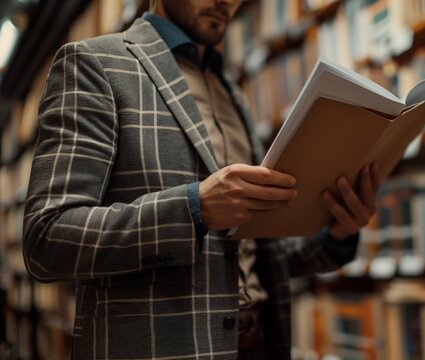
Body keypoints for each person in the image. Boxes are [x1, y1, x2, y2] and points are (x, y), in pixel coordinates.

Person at [22, 0, 380, 359]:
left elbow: (250, 255)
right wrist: (194, 208)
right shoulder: (94, 64)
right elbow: (47, 239)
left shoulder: (232, 92)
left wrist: (335, 232)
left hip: (261, 344)